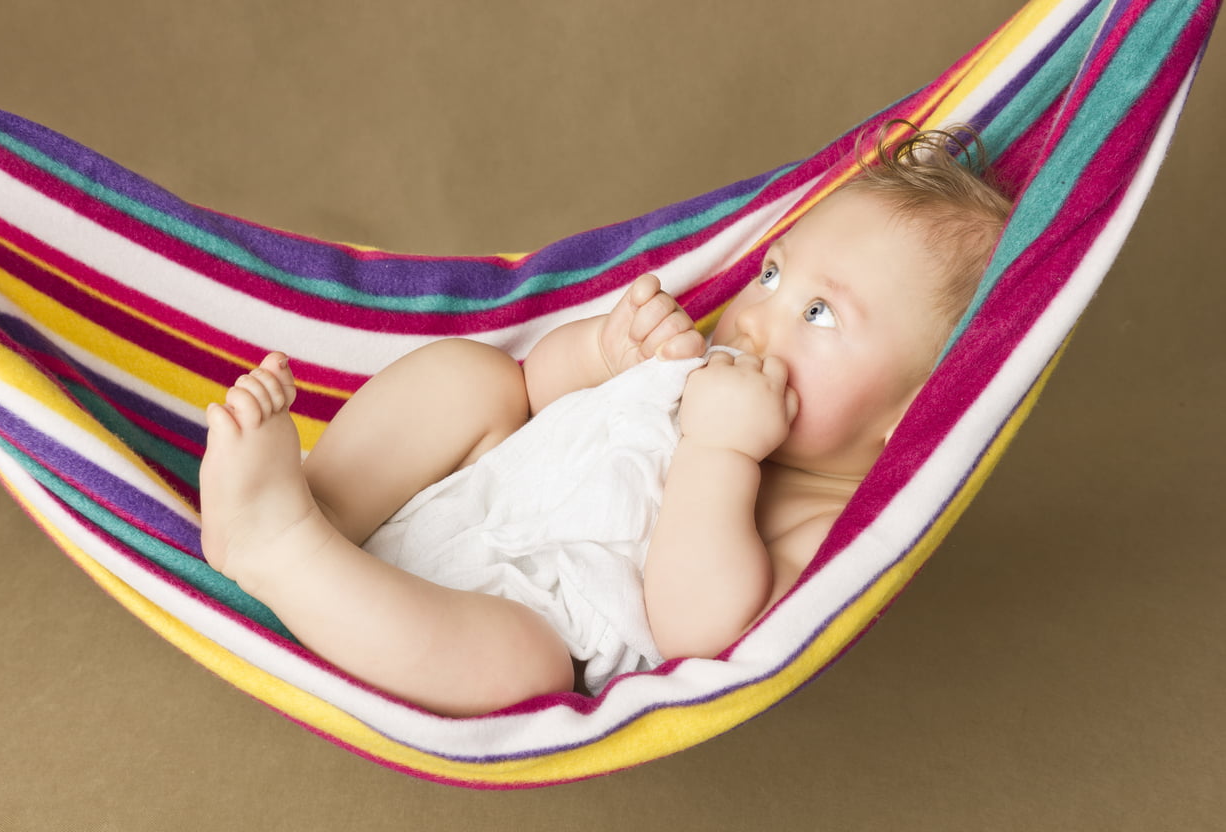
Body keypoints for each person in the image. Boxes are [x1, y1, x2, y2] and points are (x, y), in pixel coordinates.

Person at [197, 123, 1012, 717]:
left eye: (821, 314)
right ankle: (323, 506)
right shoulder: (700, 367)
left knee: (525, 668)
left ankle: (284, 550)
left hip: (485, 622)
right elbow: (543, 398)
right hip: (467, 495)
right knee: (475, 378)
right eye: (772, 272)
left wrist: (721, 448)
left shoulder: (829, 523)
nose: (758, 316)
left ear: (920, 410)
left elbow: (697, 629)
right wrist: (602, 355)